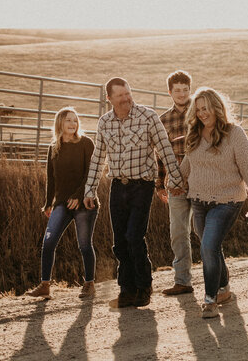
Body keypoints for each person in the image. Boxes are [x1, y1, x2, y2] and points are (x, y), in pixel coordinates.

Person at [84, 77, 184, 309]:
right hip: (117, 186)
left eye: (128, 93)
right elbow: (98, 159)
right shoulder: (105, 123)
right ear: (109, 98)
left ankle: (144, 286)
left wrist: (175, 179)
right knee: (119, 242)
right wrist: (89, 189)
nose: (126, 98)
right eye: (120, 95)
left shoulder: (147, 116)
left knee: (134, 237)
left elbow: (165, 149)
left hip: (142, 185)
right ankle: (126, 290)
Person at [177, 87, 248, 318]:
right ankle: (224, 288)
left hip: (227, 201)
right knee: (210, 246)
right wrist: (172, 180)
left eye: (205, 108)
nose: (202, 114)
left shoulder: (234, 134)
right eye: (198, 110)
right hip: (198, 200)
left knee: (207, 247)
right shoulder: (195, 135)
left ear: (216, 108)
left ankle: (210, 299)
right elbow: (188, 164)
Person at [26, 107, 98, 299]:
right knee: (48, 243)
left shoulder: (86, 143)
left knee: (84, 245)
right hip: (62, 203)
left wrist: (78, 195)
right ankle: (45, 285)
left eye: (75, 120)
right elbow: (51, 178)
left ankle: (89, 284)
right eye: (68, 120)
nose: (73, 124)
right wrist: (48, 203)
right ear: (60, 123)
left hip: (84, 202)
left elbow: (91, 173)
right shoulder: (54, 147)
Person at [158, 70, 196, 297]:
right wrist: (159, 184)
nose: (181, 94)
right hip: (175, 183)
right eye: (177, 90)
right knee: (178, 232)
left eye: (185, 90)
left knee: (205, 232)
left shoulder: (200, 112)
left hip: (202, 180)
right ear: (170, 92)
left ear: (190, 90)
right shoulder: (164, 120)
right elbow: (160, 153)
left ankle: (221, 278)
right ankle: (182, 280)